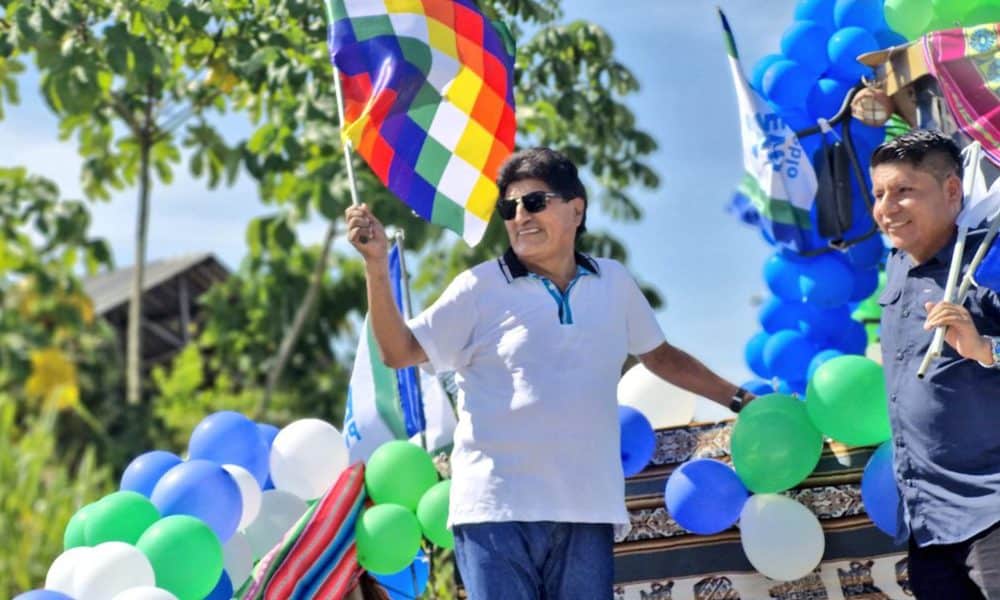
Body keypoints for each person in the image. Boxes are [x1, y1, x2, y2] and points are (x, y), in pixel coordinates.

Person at [346, 147, 752, 599]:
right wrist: (376, 266)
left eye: (535, 202)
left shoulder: (615, 282)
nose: (521, 216)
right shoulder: (478, 287)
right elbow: (398, 351)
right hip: (494, 512)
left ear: (576, 209)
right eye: (510, 207)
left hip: (586, 509)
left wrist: (740, 400)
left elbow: (661, 358)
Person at [870, 130, 1000, 598]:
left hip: (993, 512)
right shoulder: (896, 267)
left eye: (904, 191)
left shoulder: (990, 258)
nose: (887, 208)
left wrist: (986, 347)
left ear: (951, 191)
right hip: (928, 524)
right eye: (879, 194)